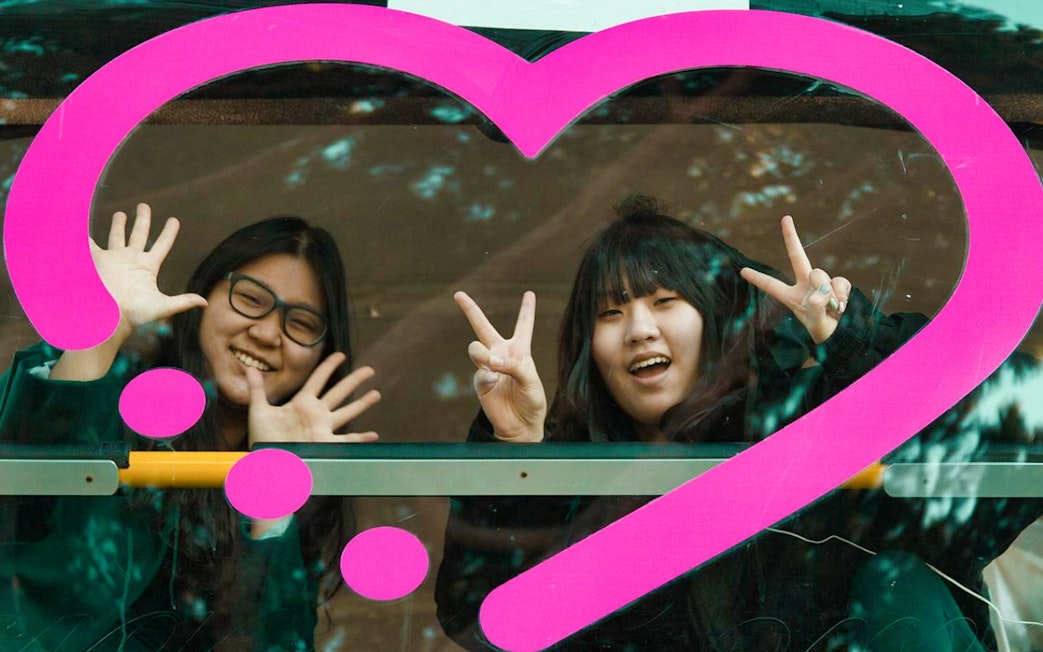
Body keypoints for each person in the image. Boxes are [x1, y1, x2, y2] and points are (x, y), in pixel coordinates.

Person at [435, 195, 1043, 651]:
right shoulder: (578, 482)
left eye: (665, 302)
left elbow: (1024, 429)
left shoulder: (813, 421)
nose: (641, 328)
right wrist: (516, 454)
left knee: (898, 585)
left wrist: (859, 344)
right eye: (611, 313)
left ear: (715, 320)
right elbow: (482, 624)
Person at [0, 203, 381, 650]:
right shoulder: (113, 395)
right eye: (252, 299)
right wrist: (103, 331)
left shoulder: (298, 475)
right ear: (203, 296)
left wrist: (273, 486)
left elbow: (277, 640)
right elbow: (27, 508)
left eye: (300, 323)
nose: (267, 333)